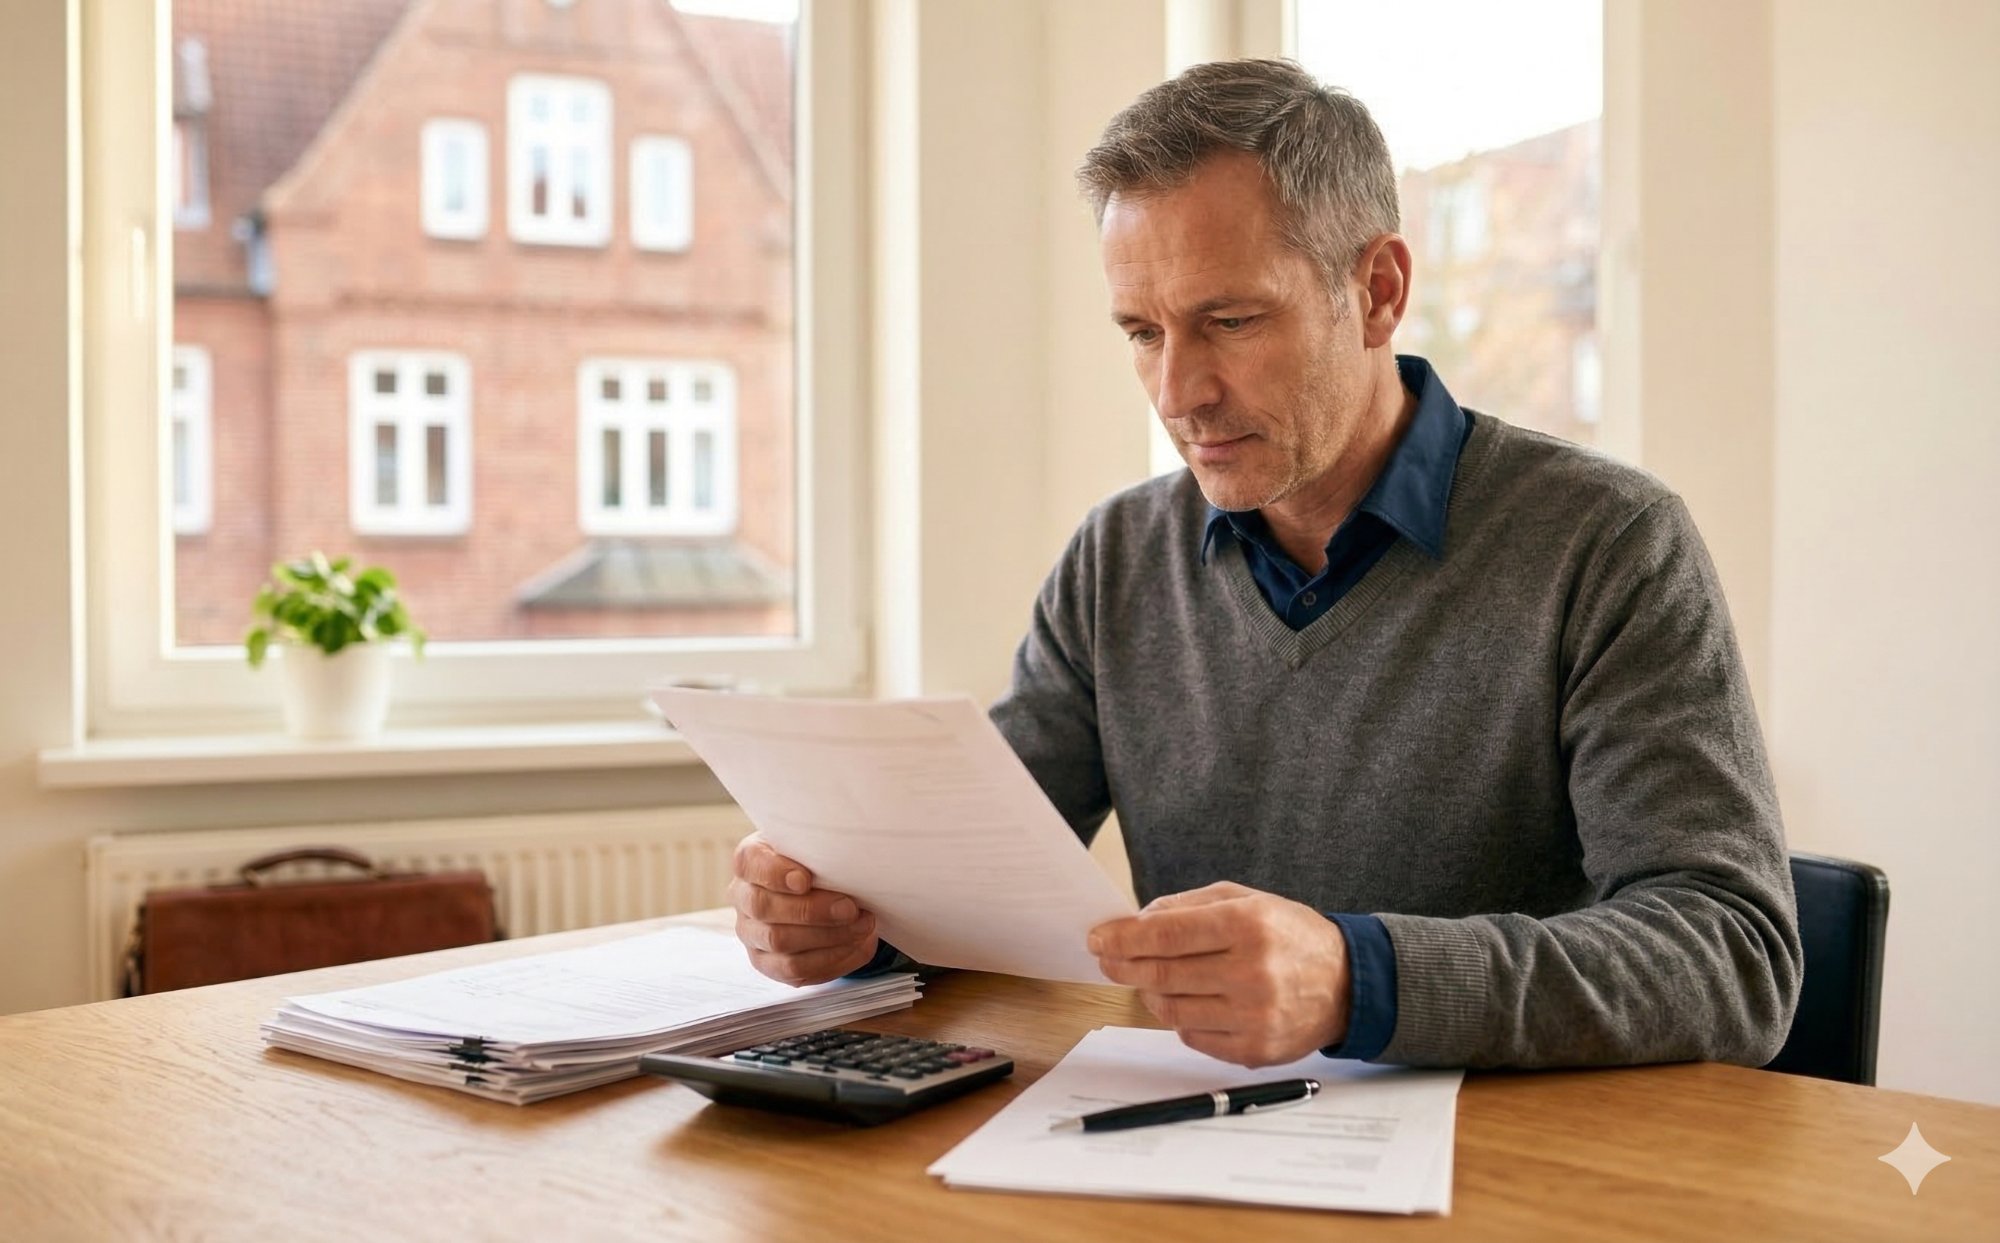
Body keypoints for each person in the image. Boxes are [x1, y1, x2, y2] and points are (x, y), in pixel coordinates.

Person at [728, 59, 1801, 1070]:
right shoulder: (1117, 560)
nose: (1176, 391)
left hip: (1508, 1169)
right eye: (1140, 332)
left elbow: (1732, 956)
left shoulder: (1606, 543)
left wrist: (1356, 978)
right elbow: (968, 882)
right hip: (1194, 1146)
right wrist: (846, 923)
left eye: (1228, 320)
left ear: (1377, 290)